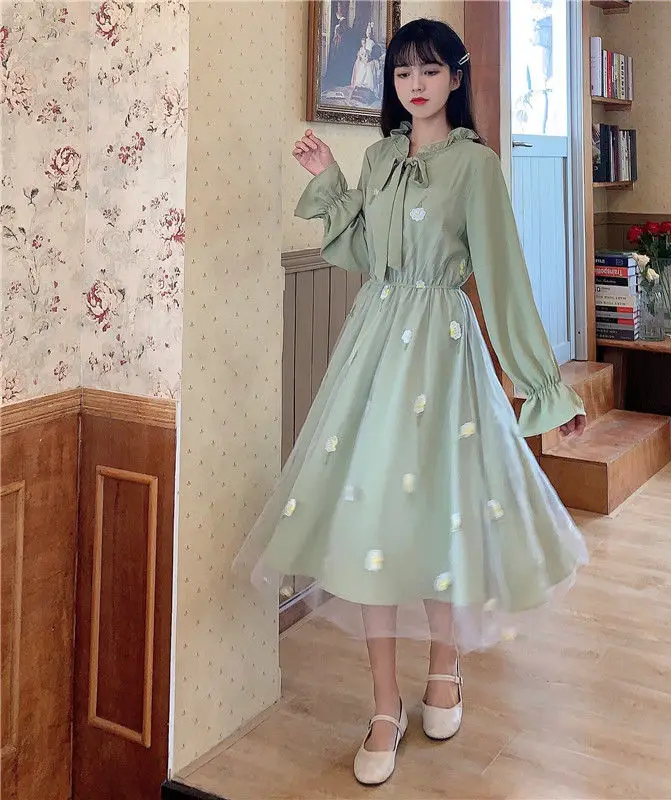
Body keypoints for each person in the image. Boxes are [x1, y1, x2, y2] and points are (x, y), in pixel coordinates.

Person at [234, 17, 588, 787]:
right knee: (373, 524)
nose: (415, 84)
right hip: (374, 350)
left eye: (428, 70)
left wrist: (542, 386)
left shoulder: (476, 167)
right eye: (402, 72)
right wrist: (331, 178)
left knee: (436, 514)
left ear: (456, 78)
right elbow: (366, 253)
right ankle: (384, 706)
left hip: (442, 353)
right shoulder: (381, 157)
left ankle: (445, 665)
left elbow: (503, 279)